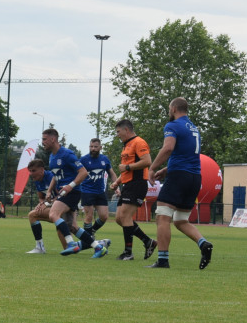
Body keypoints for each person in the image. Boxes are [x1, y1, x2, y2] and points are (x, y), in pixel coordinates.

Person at [148, 97, 213, 270]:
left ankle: (162, 260)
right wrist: (166, 170)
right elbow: (185, 155)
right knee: (180, 220)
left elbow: (168, 148)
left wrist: (153, 168)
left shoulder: (172, 126)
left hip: (179, 176)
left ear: (174, 108)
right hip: (194, 177)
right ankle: (203, 243)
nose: (169, 112)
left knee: (162, 215)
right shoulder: (193, 128)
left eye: (169, 109)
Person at [40, 128, 110, 258]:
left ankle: (71, 244)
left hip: (72, 192)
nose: (42, 142)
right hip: (63, 193)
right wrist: (49, 191)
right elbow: (56, 176)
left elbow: (83, 172)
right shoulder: (52, 156)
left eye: (44, 139)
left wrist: (70, 186)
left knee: (53, 214)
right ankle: (99, 247)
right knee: (71, 226)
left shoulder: (67, 154)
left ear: (53, 139)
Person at [110, 119, 157, 261]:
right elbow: (125, 168)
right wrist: (117, 182)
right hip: (128, 184)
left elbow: (147, 161)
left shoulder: (139, 142)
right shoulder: (126, 146)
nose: (117, 135)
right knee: (119, 218)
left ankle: (128, 252)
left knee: (125, 217)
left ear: (126, 130)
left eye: (118, 132)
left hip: (137, 183)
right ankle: (148, 241)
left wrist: (128, 168)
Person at [79, 138, 116, 237]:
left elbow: (111, 173)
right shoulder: (83, 159)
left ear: (100, 147)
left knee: (104, 216)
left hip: (100, 191)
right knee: (89, 216)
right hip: (87, 191)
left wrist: (116, 186)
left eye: (95, 147)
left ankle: (91, 232)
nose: (93, 149)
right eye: (91, 146)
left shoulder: (104, 159)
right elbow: (77, 173)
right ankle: (87, 241)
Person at [26, 159, 56, 253]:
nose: (31, 173)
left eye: (33, 171)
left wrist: (47, 204)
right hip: (54, 210)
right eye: (30, 171)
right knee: (32, 215)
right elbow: (41, 197)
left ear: (42, 170)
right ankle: (39, 247)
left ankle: (99, 243)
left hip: (65, 209)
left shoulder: (52, 177)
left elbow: (62, 196)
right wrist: (41, 204)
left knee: (68, 246)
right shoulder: (37, 180)